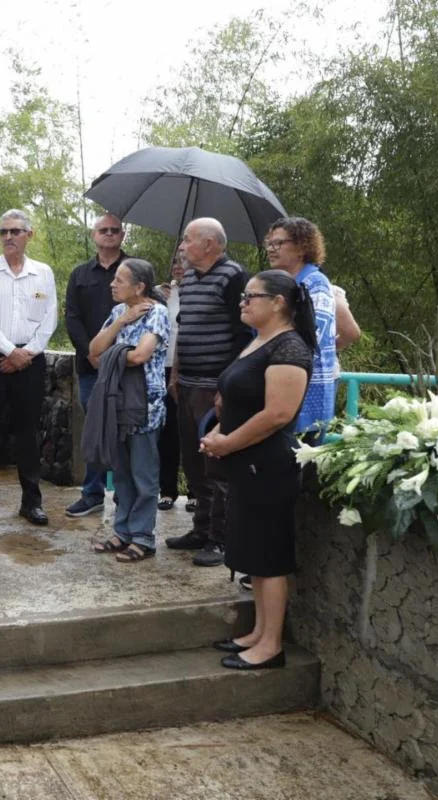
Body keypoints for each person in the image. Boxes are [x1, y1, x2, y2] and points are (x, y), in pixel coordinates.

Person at [200, 269, 315, 670]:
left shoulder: (290, 348)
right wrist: (218, 431)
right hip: (246, 464)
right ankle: (259, 632)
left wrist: (228, 442)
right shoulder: (261, 341)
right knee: (253, 553)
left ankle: (271, 646)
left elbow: (278, 414)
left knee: (269, 556)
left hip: (267, 466)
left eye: (251, 297)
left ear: (278, 302)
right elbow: (240, 401)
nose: (243, 303)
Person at [166, 218, 250, 567]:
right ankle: (200, 530)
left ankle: (220, 539)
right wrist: (176, 373)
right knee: (193, 462)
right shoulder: (187, 280)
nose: (182, 246)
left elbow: (244, 336)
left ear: (210, 244)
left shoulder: (234, 277)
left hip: (214, 387)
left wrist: (226, 387)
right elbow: (184, 328)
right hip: (187, 384)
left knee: (216, 465)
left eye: (188, 240)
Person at [0, 209, 58, 528]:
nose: (8, 237)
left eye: (15, 231)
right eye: (3, 231)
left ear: (29, 235)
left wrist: (26, 353)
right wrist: (10, 351)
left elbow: (50, 317)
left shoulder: (43, 272)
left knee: (28, 433)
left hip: (30, 361)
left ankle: (32, 502)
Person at [86, 259, 170, 563]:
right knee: (121, 473)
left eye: (119, 280)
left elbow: (140, 356)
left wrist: (111, 355)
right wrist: (121, 322)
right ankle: (122, 531)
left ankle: (143, 537)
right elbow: (93, 350)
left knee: (143, 475)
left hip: (145, 404)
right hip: (117, 403)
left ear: (139, 286)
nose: (112, 284)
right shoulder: (119, 312)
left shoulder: (157, 313)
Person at [63, 213, 130, 517]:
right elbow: (72, 317)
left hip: (127, 366)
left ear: (122, 235)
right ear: (94, 235)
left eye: (115, 230)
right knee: (94, 429)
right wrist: (91, 353)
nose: (109, 234)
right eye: (103, 230)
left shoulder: (134, 270)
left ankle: (125, 495)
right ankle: (92, 493)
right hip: (90, 367)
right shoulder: (79, 274)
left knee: (124, 430)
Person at [264, 217, 337, 442]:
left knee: (302, 459)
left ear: (301, 247)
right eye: (269, 243)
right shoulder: (280, 284)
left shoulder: (315, 283)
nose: (271, 249)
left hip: (308, 393)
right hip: (280, 387)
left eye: (278, 243)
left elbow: (313, 335)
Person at [156, 253, 190, 511]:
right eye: (175, 261)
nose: (178, 266)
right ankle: (167, 490)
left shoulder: (201, 291)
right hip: (163, 367)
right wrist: (157, 298)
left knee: (191, 430)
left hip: (191, 367)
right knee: (167, 433)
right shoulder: (163, 292)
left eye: (184, 261)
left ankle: (196, 491)